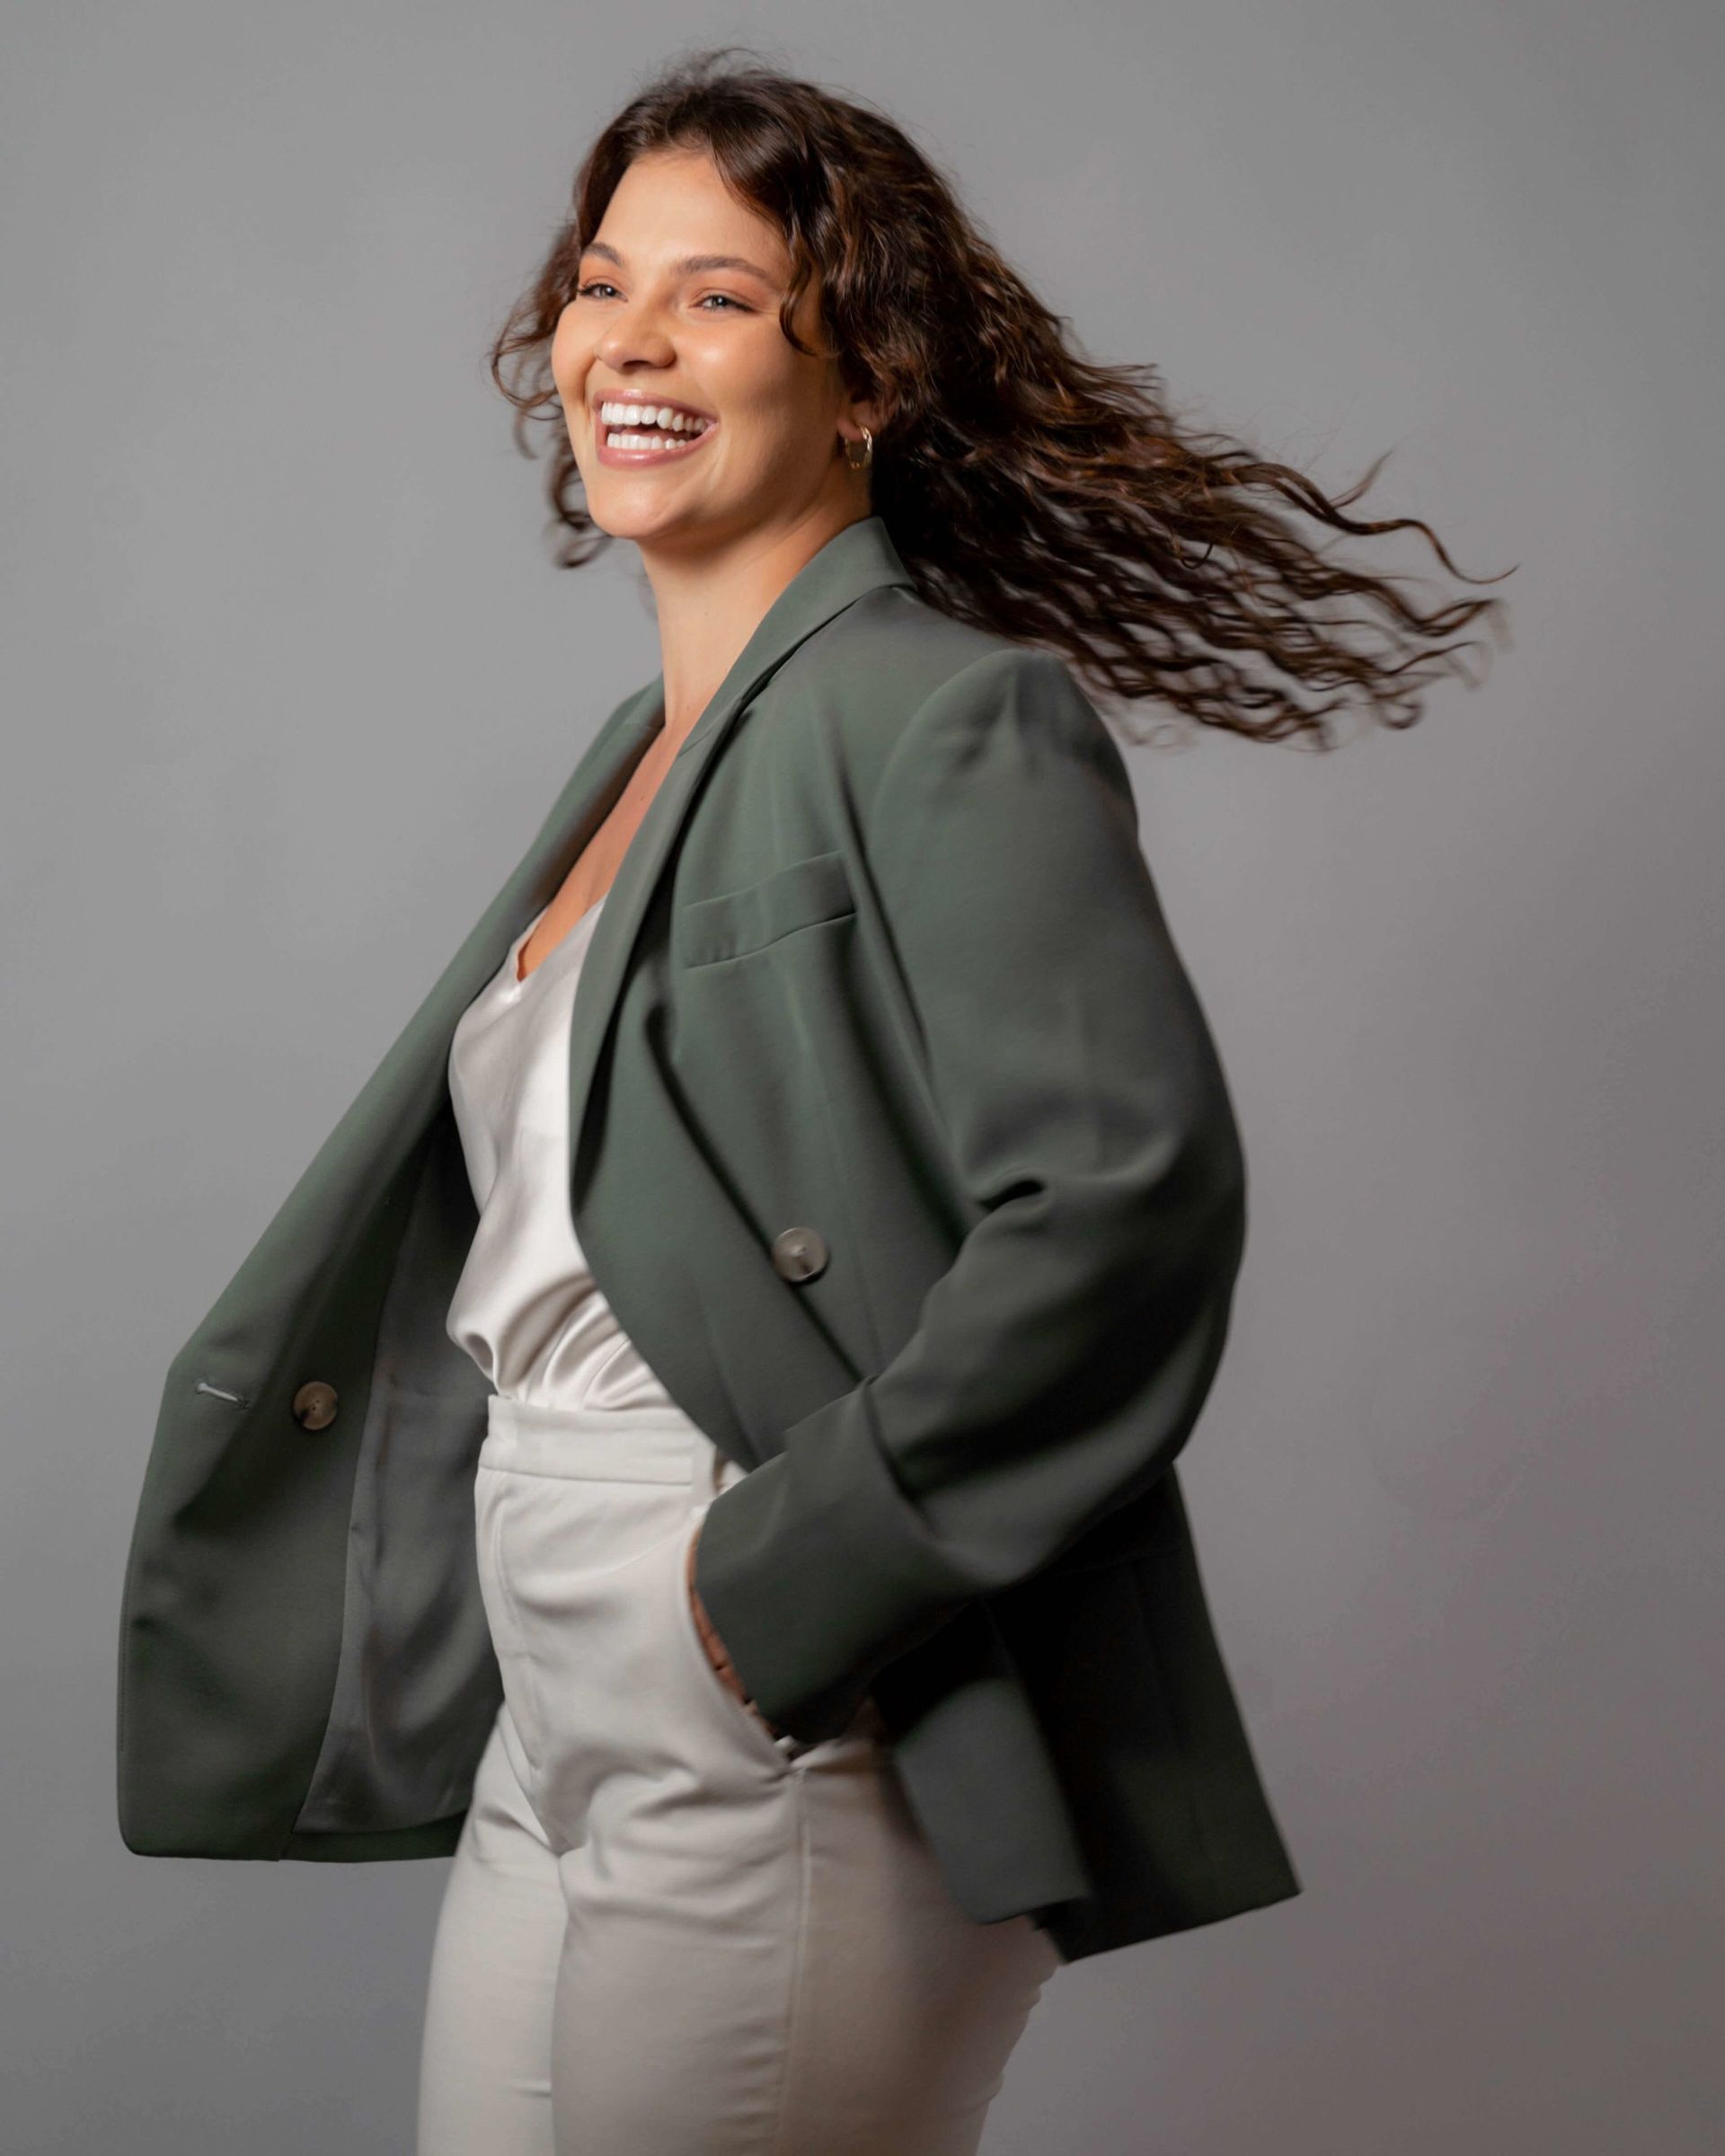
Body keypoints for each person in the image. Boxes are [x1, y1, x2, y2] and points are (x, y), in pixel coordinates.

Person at [116, 48, 1509, 2156]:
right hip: (552, 1693)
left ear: (858, 382)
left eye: (724, 297)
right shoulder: (641, 755)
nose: (633, 345)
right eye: (601, 286)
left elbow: (1121, 1206)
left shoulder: (947, 714)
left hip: (781, 1682)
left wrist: (771, 1590)